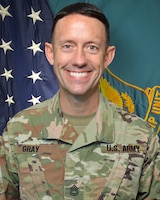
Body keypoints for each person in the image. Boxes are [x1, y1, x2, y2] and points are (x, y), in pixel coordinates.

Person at [0, 2, 160, 200]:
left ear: (107, 56)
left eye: (91, 47)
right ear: (50, 53)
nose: (79, 60)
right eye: (68, 46)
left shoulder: (142, 138)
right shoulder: (17, 131)